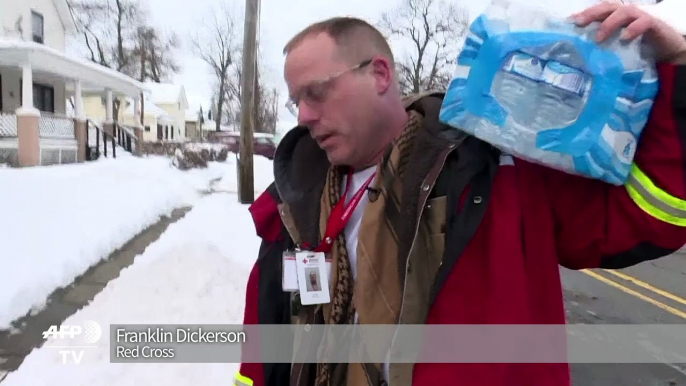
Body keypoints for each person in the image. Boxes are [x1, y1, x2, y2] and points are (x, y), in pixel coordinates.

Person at [234, 3, 686, 386]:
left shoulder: (497, 166)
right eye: (297, 101)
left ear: (379, 73)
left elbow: (650, 217)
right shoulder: (293, 205)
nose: (305, 115)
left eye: (316, 93)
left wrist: (679, 69)